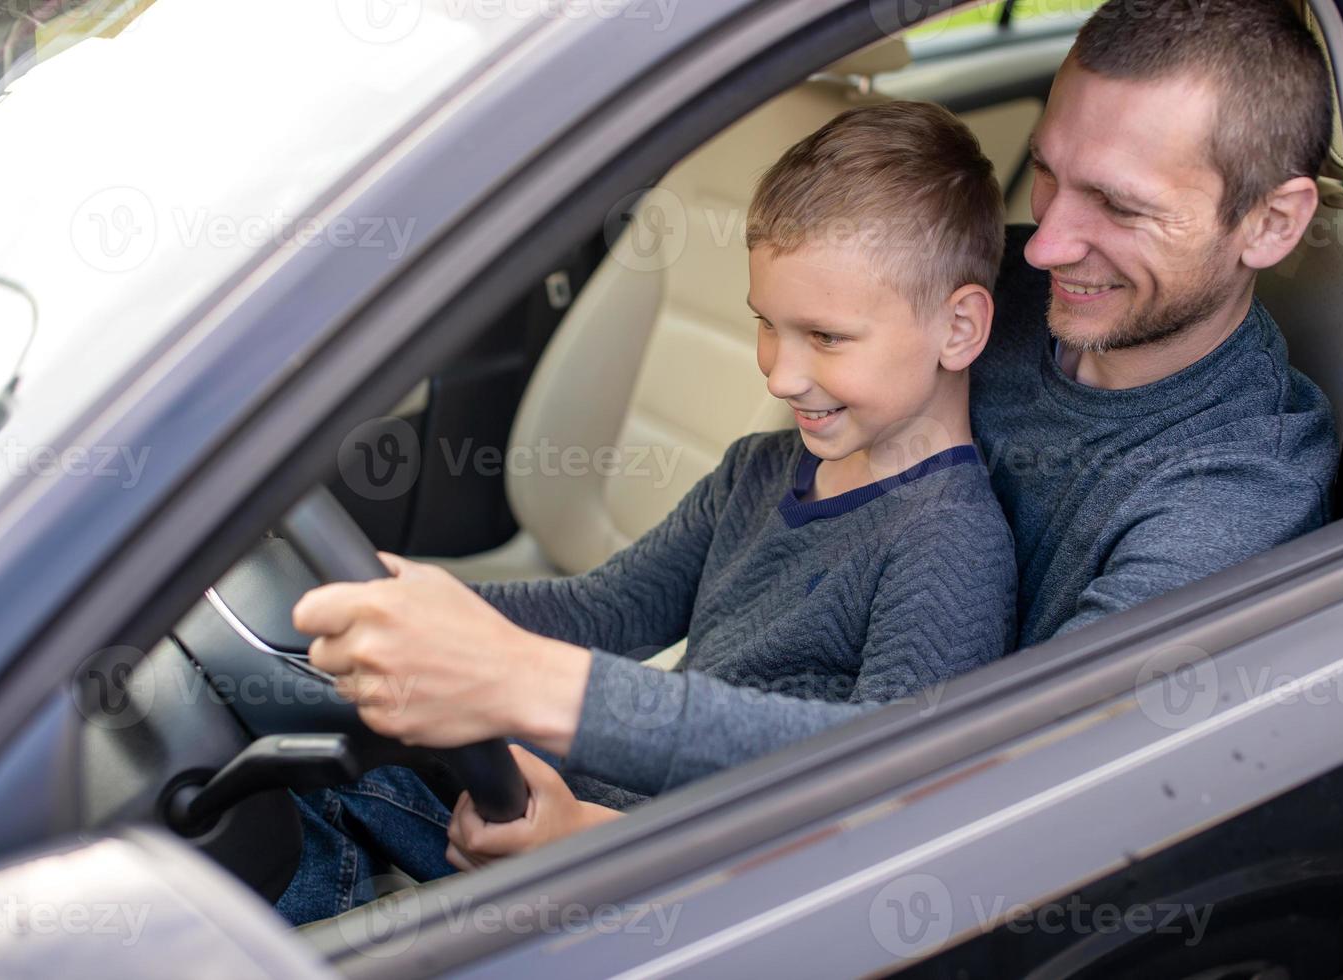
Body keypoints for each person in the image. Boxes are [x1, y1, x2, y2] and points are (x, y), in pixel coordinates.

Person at [380, 0, 1342, 869]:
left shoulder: (1234, 487)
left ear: (1269, 222)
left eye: (1120, 207)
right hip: (686, 792)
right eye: (1046, 175)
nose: (1040, 245)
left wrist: (561, 717)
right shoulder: (991, 290)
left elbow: (986, 768)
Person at [276, 101, 1018, 923]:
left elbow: (876, 788)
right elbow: (607, 608)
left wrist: (595, 841)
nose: (778, 375)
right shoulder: (762, 469)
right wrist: (417, 604)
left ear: (958, 328)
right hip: (602, 813)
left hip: (678, 891)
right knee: (312, 765)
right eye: (766, 326)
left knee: (307, 813)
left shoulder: (950, 546)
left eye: (826, 338)